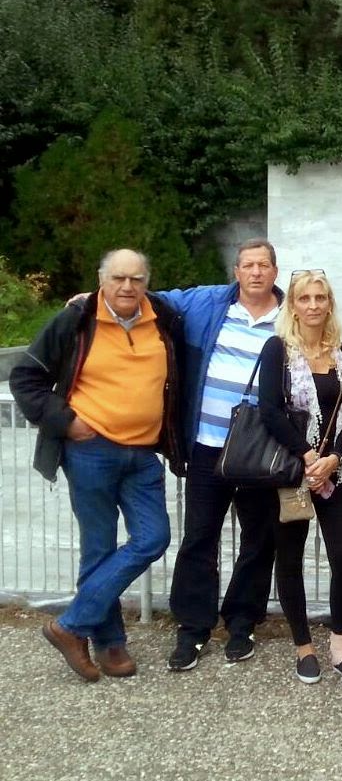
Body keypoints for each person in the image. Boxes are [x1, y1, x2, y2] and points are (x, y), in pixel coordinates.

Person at [12, 249, 185, 681]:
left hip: (143, 454)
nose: (127, 286)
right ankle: (110, 643)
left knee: (154, 537)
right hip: (91, 452)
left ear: (148, 283)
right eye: (118, 278)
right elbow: (25, 378)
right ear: (101, 280)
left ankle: (71, 626)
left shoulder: (164, 318)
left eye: (137, 279)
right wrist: (65, 421)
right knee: (99, 546)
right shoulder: (75, 320)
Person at [163, 238, 283, 670]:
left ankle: (242, 622)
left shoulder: (288, 317)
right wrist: (97, 297)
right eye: (248, 265)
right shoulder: (210, 303)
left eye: (263, 265)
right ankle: (193, 628)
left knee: (258, 540)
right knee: (199, 536)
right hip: (207, 447)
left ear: (275, 271)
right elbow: (157, 300)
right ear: (236, 271)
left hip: (258, 453)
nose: (256, 272)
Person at [257, 271, 342, 685]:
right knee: (290, 558)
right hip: (292, 470)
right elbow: (269, 409)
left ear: (329, 303)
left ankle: (340, 644)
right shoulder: (277, 350)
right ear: (294, 305)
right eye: (305, 298)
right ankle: (303, 645)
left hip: (336, 471)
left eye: (321, 297)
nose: (314, 305)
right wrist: (306, 454)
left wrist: (334, 456)